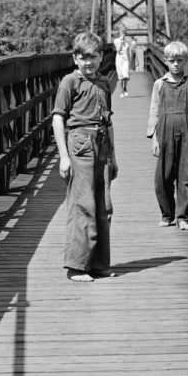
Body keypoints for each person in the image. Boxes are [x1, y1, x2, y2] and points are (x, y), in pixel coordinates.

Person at [52, 31, 118, 282]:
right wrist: (64, 156)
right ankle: (77, 267)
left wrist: (114, 156)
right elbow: (58, 118)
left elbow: (109, 122)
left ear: (101, 57)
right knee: (84, 205)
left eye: (93, 57)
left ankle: (98, 263)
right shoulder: (70, 82)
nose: (88, 62)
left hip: (101, 143)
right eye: (83, 57)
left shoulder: (103, 83)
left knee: (104, 207)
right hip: (80, 143)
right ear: (75, 58)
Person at [146, 40, 188, 231]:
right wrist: (153, 137)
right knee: (163, 177)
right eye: (172, 61)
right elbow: (154, 111)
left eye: (180, 61)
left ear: (185, 61)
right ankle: (167, 214)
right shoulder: (160, 84)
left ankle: (184, 217)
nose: (176, 64)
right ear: (166, 61)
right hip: (164, 131)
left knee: (186, 175)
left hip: (186, 132)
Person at [113, 26, 134, 97]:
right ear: (120, 32)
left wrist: (131, 62)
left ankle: (125, 88)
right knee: (121, 76)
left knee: (125, 75)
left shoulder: (127, 42)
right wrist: (121, 42)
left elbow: (129, 52)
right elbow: (118, 50)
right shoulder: (116, 41)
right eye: (122, 32)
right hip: (119, 59)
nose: (123, 34)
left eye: (124, 32)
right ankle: (123, 90)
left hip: (126, 60)